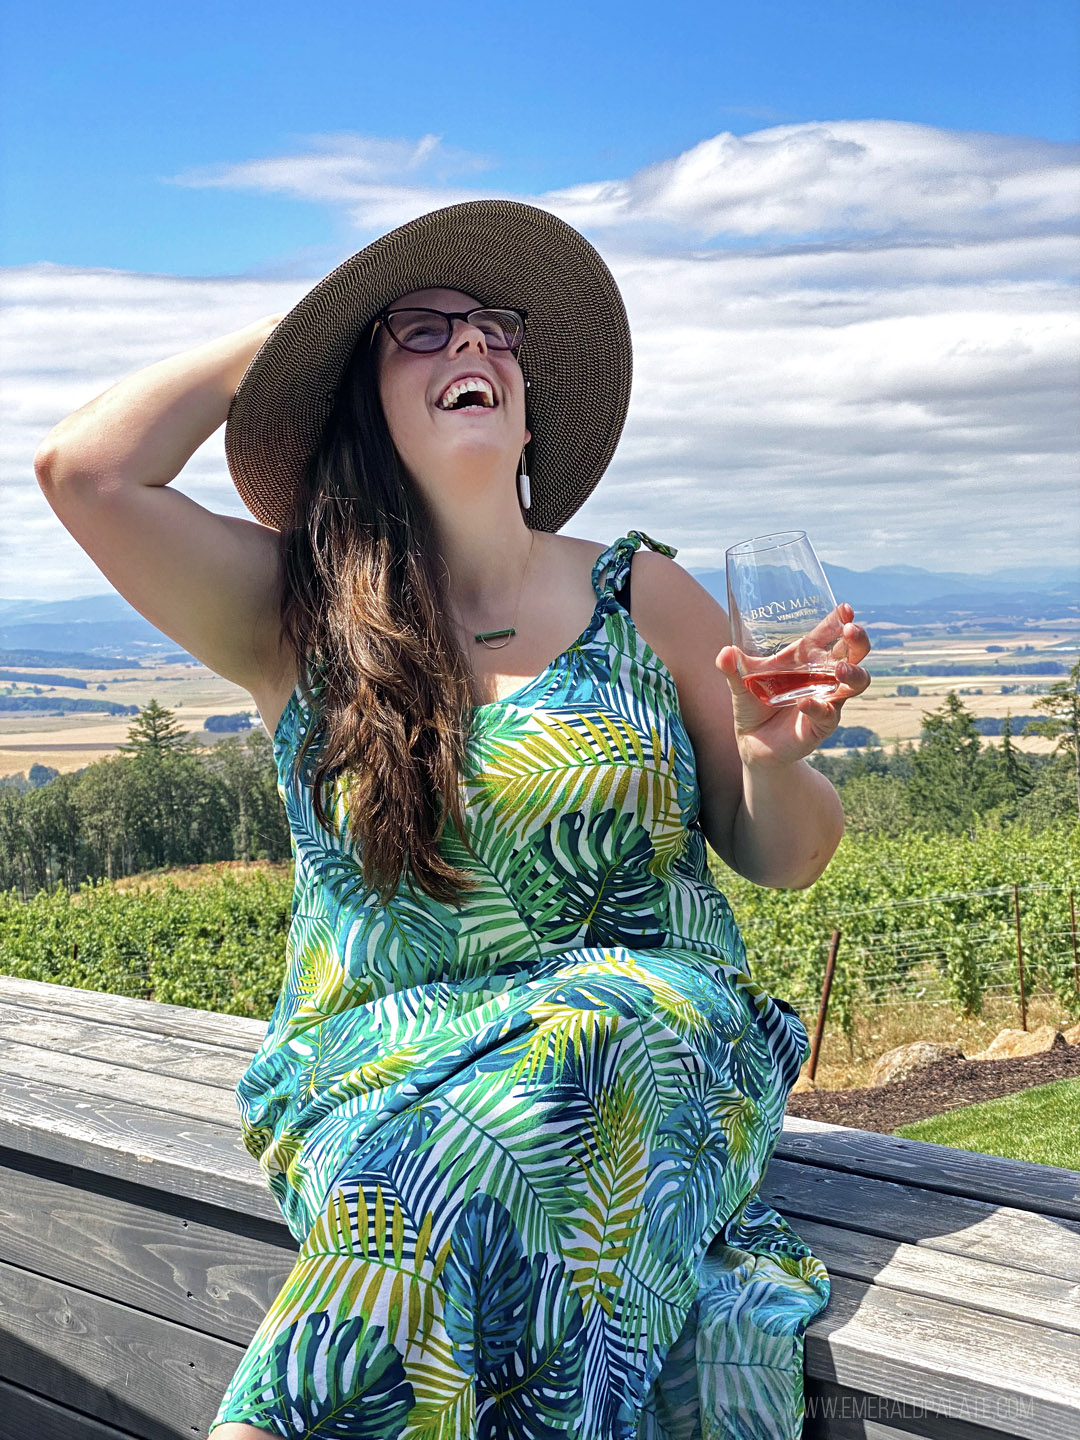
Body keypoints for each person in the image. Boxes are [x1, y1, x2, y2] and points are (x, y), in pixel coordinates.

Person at [35, 199, 871, 1440]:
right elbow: (86, 472)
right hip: (381, 1075)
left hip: (653, 1052)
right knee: (431, 1174)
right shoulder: (296, 614)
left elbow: (785, 858)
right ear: (361, 400)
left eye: (493, 329)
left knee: (595, 1025)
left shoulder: (643, 594)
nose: (468, 345)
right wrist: (303, 334)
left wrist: (773, 756)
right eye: (419, 334)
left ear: (527, 402)